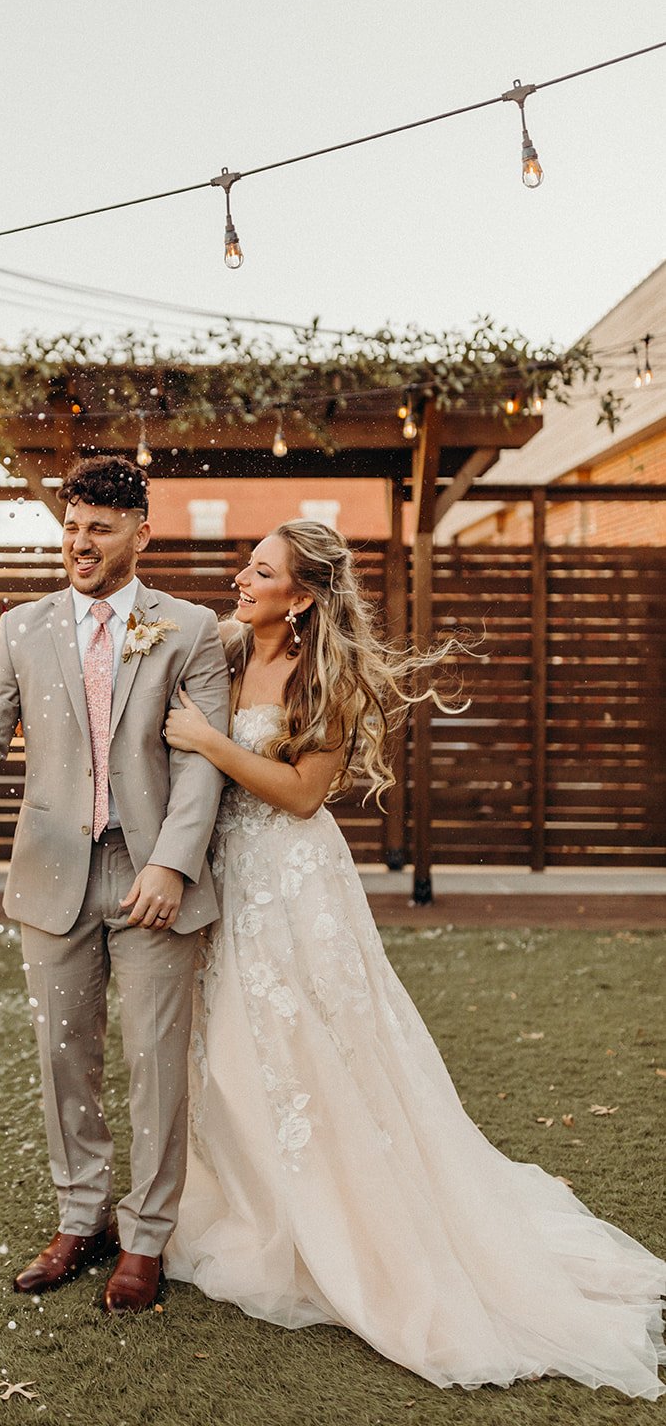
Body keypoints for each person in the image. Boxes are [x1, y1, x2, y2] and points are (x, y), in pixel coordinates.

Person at [162, 519, 666, 1398]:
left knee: (312, 1045)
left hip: (291, 878)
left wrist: (210, 743)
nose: (241, 577)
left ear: (305, 595)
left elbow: (302, 792)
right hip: (228, 873)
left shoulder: (331, 677)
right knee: (234, 1041)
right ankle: (250, 1199)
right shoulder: (225, 645)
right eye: (246, 565)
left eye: (261, 570)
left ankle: (339, 1221)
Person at [0, 454, 229, 1313]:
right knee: (62, 1054)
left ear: (139, 533)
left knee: (154, 1060)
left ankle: (147, 1237)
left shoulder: (192, 629)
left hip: (150, 872)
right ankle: (80, 1216)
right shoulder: (21, 628)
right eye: (71, 526)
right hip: (51, 871)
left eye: (99, 527)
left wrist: (171, 863)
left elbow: (200, 768)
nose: (79, 543)